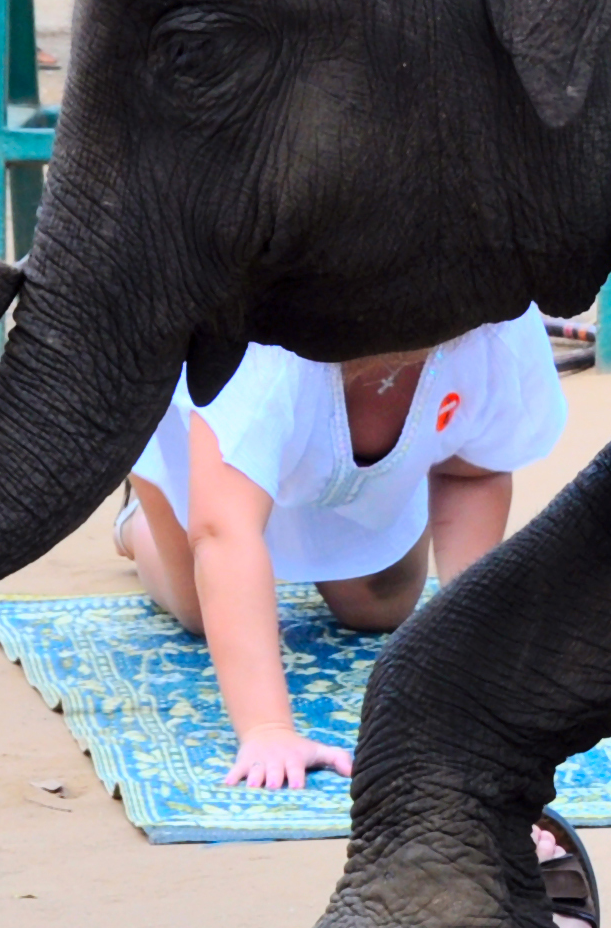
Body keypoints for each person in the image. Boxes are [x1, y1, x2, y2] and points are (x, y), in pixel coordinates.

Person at [116, 318, 566, 792]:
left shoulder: (497, 322)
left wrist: (476, 653)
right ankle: (139, 521)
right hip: (222, 457)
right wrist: (267, 729)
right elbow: (222, 530)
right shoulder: (265, 340)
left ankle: (376, 488)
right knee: (198, 611)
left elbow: (473, 473)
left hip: (346, 458)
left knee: (382, 604)